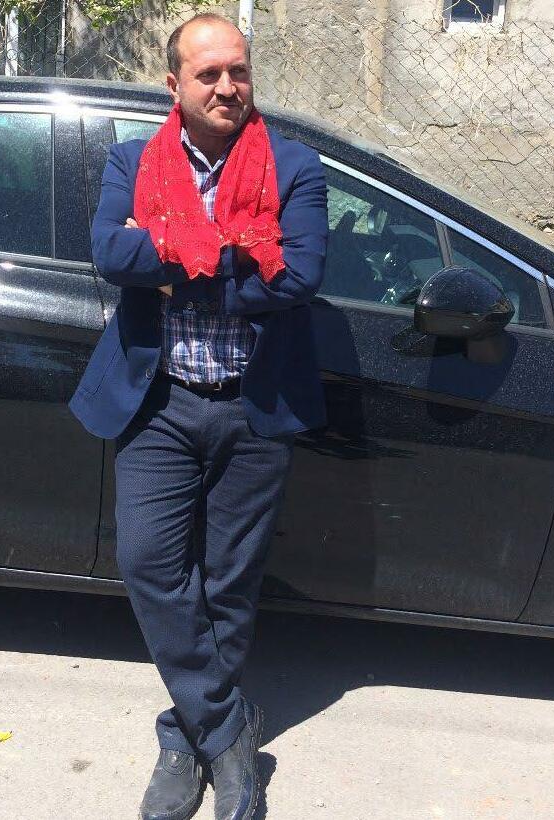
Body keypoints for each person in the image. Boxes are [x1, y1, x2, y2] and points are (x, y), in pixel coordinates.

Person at [69, 12, 328, 820]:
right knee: (148, 563)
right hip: (159, 402)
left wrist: (174, 257)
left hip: (254, 405)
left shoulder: (294, 166)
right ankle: (226, 733)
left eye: (237, 71)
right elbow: (110, 254)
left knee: (227, 584)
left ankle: (183, 740)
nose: (226, 86)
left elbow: (298, 277)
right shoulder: (131, 161)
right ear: (174, 84)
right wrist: (233, 251)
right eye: (208, 73)